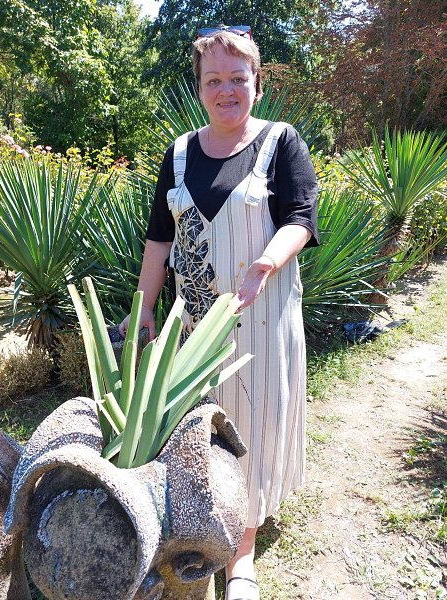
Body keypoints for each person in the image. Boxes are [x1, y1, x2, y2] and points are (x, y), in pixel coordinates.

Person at [119, 24, 319, 600]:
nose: (226, 90)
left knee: (251, 426)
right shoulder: (180, 154)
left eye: (237, 78)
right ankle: (202, 522)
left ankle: (241, 554)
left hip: (261, 322)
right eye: (213, 80)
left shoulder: (280, 142)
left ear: (257, 83)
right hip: (193, 331)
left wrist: (265, 264)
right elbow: (160, 239)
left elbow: (301, 220)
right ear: (200, 87)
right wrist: (146, 307)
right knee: (198, 429)